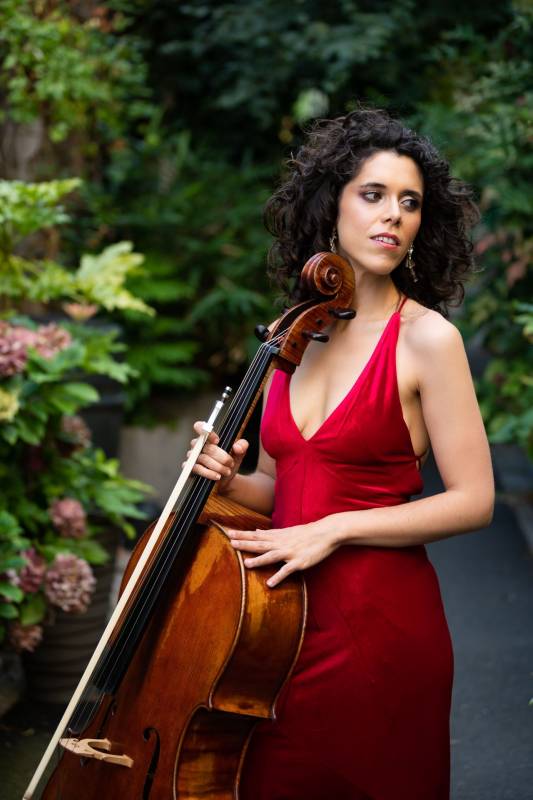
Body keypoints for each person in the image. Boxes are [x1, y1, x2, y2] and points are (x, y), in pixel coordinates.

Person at [188, 108, 494, 799]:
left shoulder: (427, 340)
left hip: (379, 633)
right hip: (272, 638)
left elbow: (474, 500)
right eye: (373, 194)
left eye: (409, 202)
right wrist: (226, 480)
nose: (393, 215)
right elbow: (281, 487)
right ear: (332, 207)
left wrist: (335, 528)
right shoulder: (291, 334)